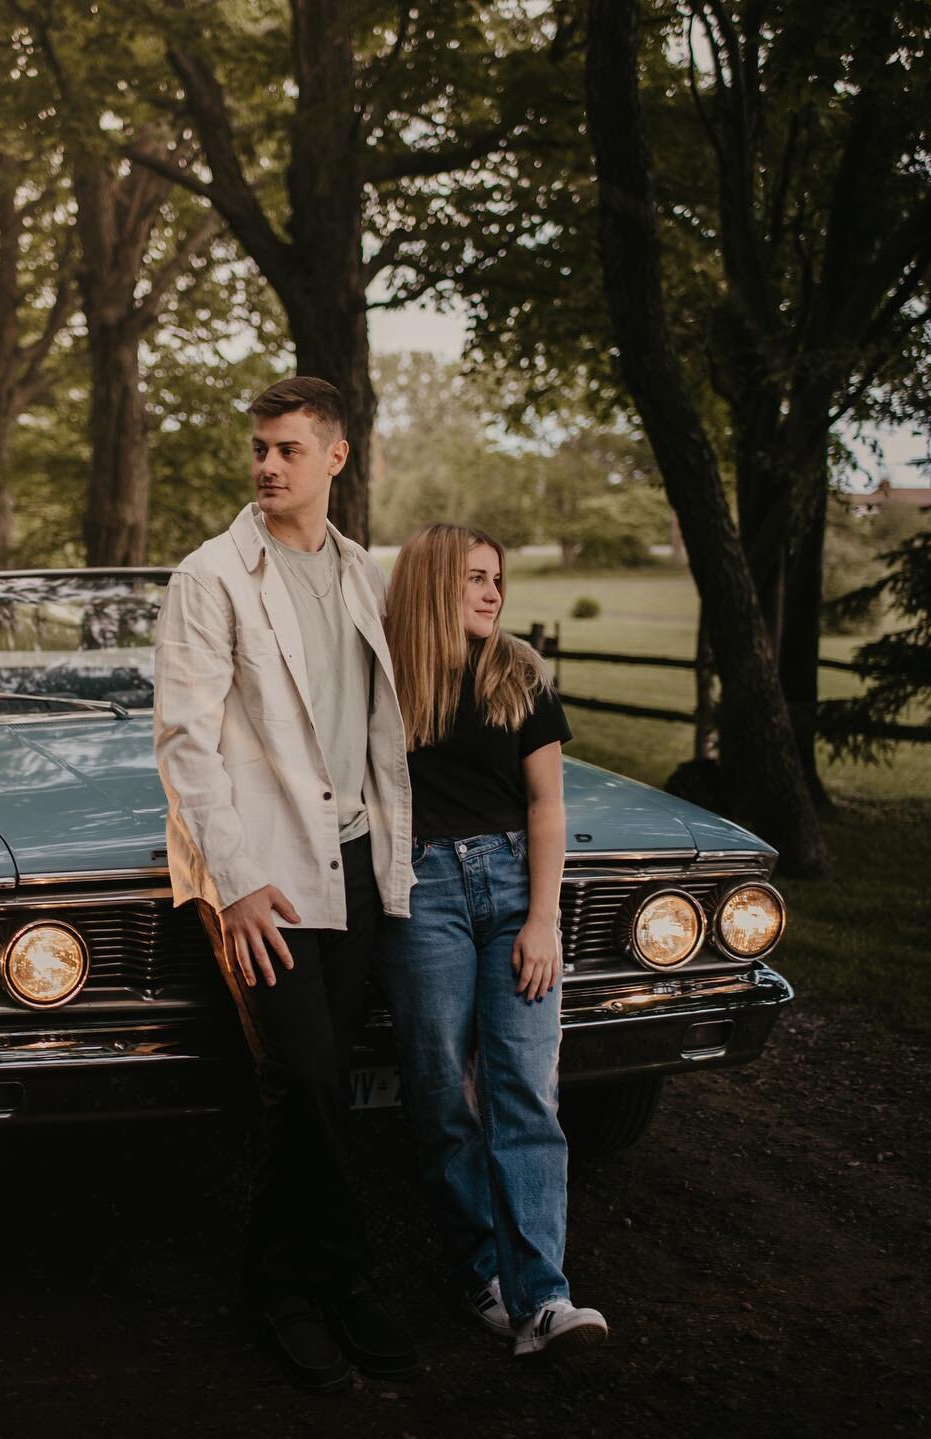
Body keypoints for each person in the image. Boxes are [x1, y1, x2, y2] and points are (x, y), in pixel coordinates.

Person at [152, 377, 419, 1392]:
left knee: (322, 1080)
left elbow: (408, 699)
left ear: (336, 458)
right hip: (261, 867)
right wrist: (238, 881)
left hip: (351, 855)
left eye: (289, 450)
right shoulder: (212, 575)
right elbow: (185, 742)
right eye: (259, 448)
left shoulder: (364, 573)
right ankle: (325, 1281)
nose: (267, 466)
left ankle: (296, 1281)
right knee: (301, 1074)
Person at [378, 522, 608, 1359]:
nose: (492, 592)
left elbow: (547, 806)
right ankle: (479, 1270)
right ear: (435, 581)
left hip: (514, 890)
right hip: (419, 890)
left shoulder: (520, 672)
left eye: (498, 579)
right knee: (441, 1092)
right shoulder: (384, 675)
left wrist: (544, 917)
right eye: (475, 577)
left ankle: (545, 1296)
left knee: (523, 1086)